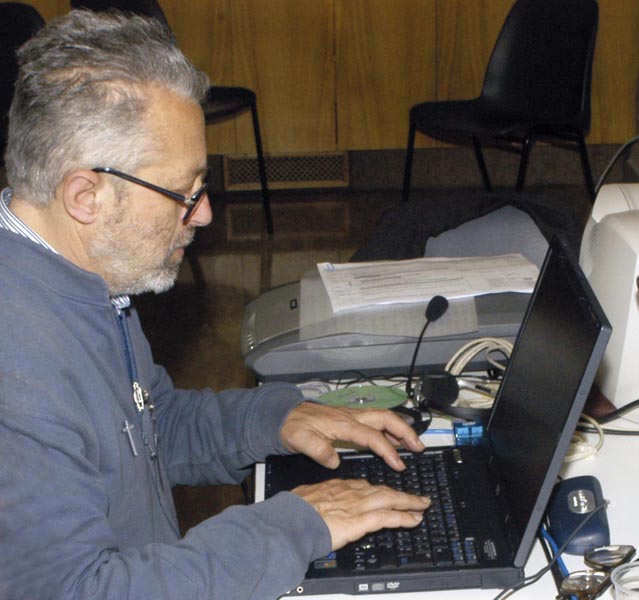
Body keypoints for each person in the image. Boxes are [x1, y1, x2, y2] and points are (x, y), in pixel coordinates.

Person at [0, 10, 430, 600]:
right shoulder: (18, 373)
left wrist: (277, 420)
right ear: (86, 195)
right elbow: (82, 591)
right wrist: (292, 525)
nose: (202, 213)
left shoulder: (88, 283)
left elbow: (152, 426)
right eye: (185, 191)